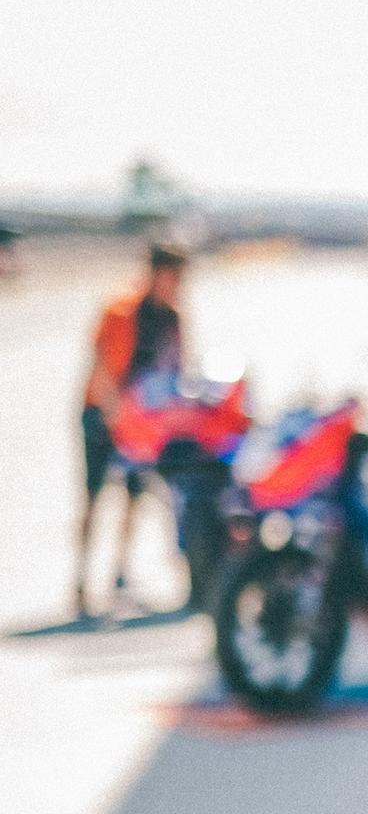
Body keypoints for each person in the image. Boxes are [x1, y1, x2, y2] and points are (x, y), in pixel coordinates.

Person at [76, 241, 187, 619]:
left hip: (144, 424)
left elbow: (177, 369)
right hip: (102, 416)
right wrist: (114, 413)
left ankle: (118, 575)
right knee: (93, 499)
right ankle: (81, 580)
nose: (176, 284)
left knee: (134, 500)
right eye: (172, 275)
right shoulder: (121, 309)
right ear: (157, 273)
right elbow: (101, 366)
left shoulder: (173, 317)